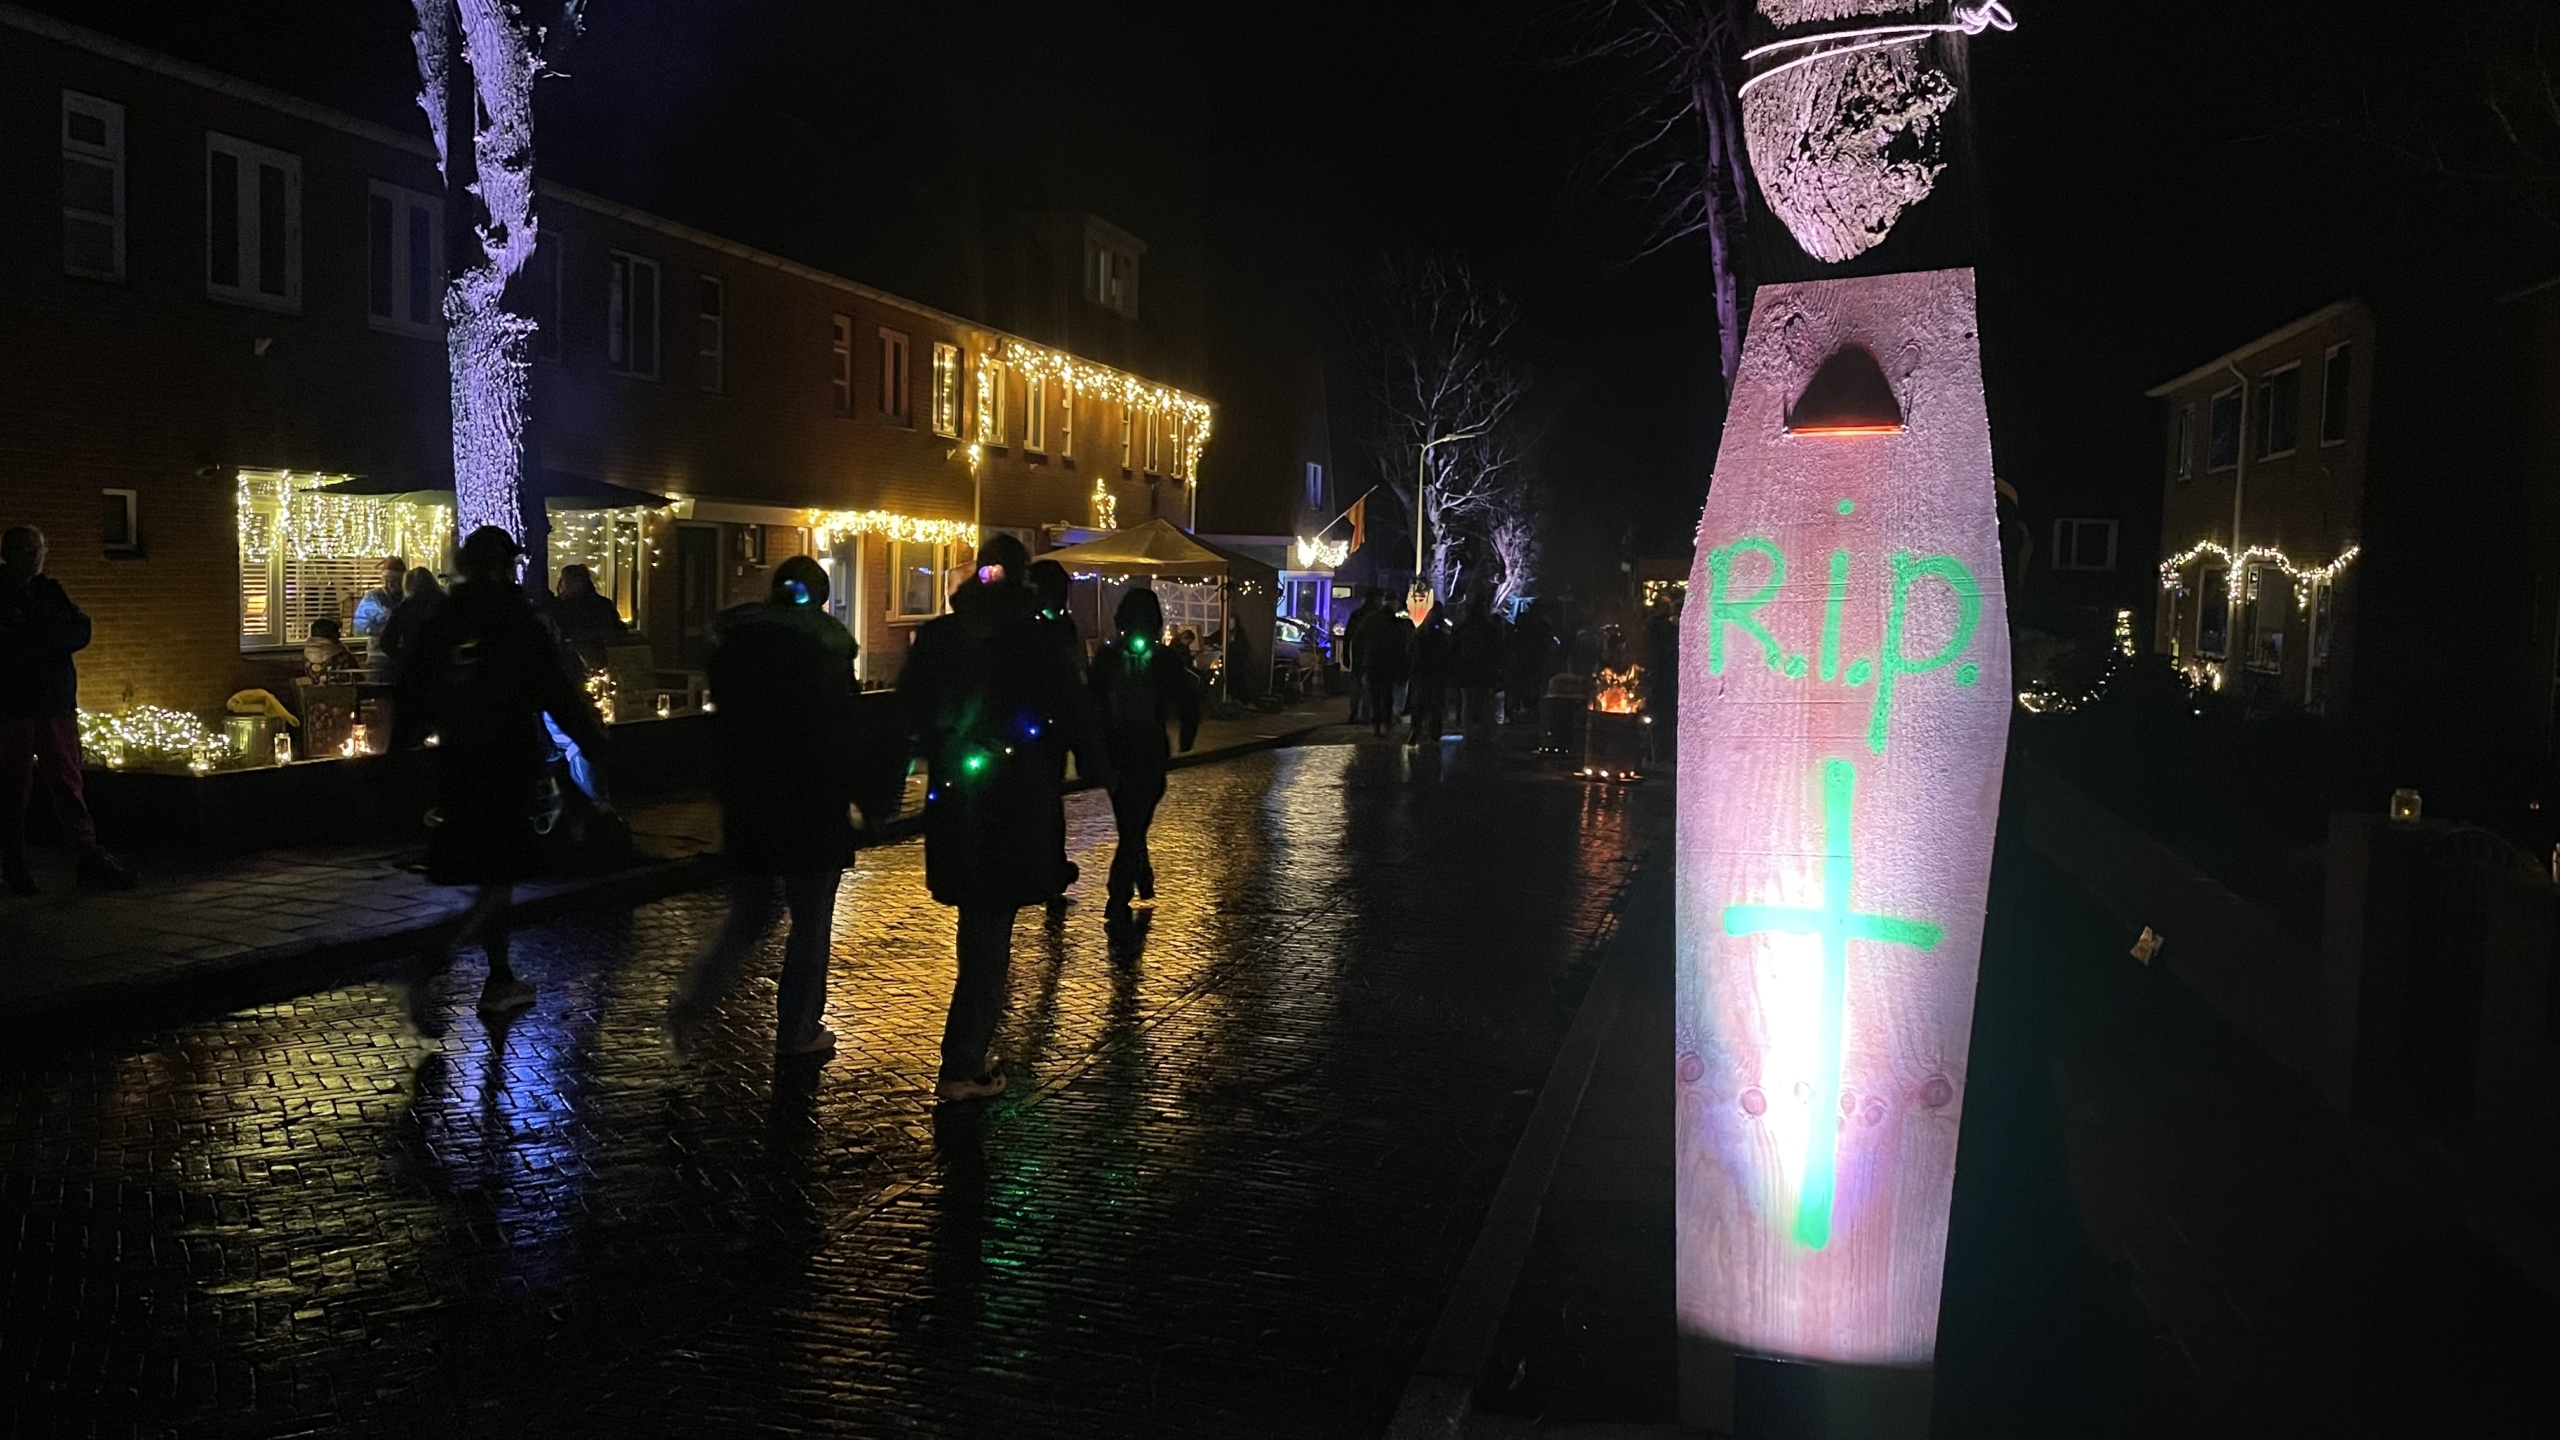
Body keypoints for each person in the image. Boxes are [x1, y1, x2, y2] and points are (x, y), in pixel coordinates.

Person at [897, 534, 1111, 1103]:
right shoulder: (1036, 641)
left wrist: (879, 794)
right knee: (990, 930)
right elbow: (1071, 709)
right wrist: (1095, 762)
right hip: (1015, 797)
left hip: (954, 795)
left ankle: (965, 1054)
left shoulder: (940, 638)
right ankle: (962, 1062)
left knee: (980, 921)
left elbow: (902, 717)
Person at [392, 526, 609, 1020]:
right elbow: (551, 687)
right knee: (500, 874)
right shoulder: (514, 619)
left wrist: (397, 756)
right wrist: (592, 741)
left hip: (457, 766)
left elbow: (413, 690)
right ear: (501, 566)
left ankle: (499, 977)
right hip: (507, 764)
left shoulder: (446, 617)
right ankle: (437, 958)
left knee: (494, 872)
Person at [669, 556, 866, 1061]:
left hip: (749, 795)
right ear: (819, 595)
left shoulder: (737, 640)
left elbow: (720, 721)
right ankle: (797, 1027)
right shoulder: (827, 644)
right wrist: (866, 797)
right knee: (810, 913)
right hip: (811, 798)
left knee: (750, 913)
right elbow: (842, 727)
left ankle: (694, 999)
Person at [0, 526, 134, 893]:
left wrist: (35, 639)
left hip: (53, 702)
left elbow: (80, 628)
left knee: (67, 779)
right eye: (27, 550)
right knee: (13, 785)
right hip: (14, 705)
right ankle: (13, 858)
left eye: (38, 549)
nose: (35, 557)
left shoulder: (49, 591)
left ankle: (86, 855)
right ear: (9, 553)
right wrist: (44, 641)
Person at [1087, 587, 1200, 927]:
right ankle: (1126, 884)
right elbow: (1187, 696)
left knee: (1130, 821)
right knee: (1134, 822)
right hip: (1145, 749)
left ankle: (1130, 881)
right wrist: (1187, 733)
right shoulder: (1162, 659)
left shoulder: (1109, 658)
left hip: (1120, 751)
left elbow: (1090, 703)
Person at [1027, 558, 1086, 916]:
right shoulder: (1035, 627)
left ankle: (1050, 867)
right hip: (1033, 725)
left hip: (1049, 728)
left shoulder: (1061, 626)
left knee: (1049, 800)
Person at [367, 566, 444, 686]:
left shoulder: (405, 607)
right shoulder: (446, 604)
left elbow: (387, 642)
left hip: (413, 667)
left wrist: (402, 657)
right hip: (442, 665)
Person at [546, 564, 628, 672]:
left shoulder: (560, 607)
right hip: (603, 662)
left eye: (564, 581)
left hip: (573, 665)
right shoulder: (603, 604)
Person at [1454, 595, 1504, 733]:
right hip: (1484, 670)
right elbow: (1497, 648)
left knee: (1467, 703)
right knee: (1486, 703)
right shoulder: (1489, 628)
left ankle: (1468, 733)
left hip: (1467, 669)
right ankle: (1485, 733)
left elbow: (1456, 647)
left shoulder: (1464, 627)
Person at [1365, 600, 1412, 740]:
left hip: (1373, 664)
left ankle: (1377, 726)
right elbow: (1402, 645)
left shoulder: (1371, 620)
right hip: (1388, 665)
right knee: (1387, 695)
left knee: (1375, 696)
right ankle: (1386, 724)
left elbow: (1362, 639)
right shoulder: (1397, 624)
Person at [1407, 605, 1454, 745]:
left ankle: (1416, 730)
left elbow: (1412, 651)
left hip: (1422, 672)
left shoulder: (1421, 633)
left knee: (1420, 703)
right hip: (1437, 673)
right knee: (1436, 704)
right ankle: (1433, 734)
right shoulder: (1442, 633)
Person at [1342, 589, 1384, 725]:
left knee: (1357, 687)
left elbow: (1347, 637)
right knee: (1369, 688)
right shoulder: (1377, 616)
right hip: (1372, 658)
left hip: (1357, 656)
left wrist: (1346, 654)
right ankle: (1365, 715)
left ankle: (1354, 713)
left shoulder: (1356, 615)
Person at [353, 557, 407, 640]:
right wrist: (378, 631)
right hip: (377, 649)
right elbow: (360, 624)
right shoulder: (373, 597)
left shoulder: (408, 597)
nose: (390, 585)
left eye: (395, 581)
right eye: (387, 580)